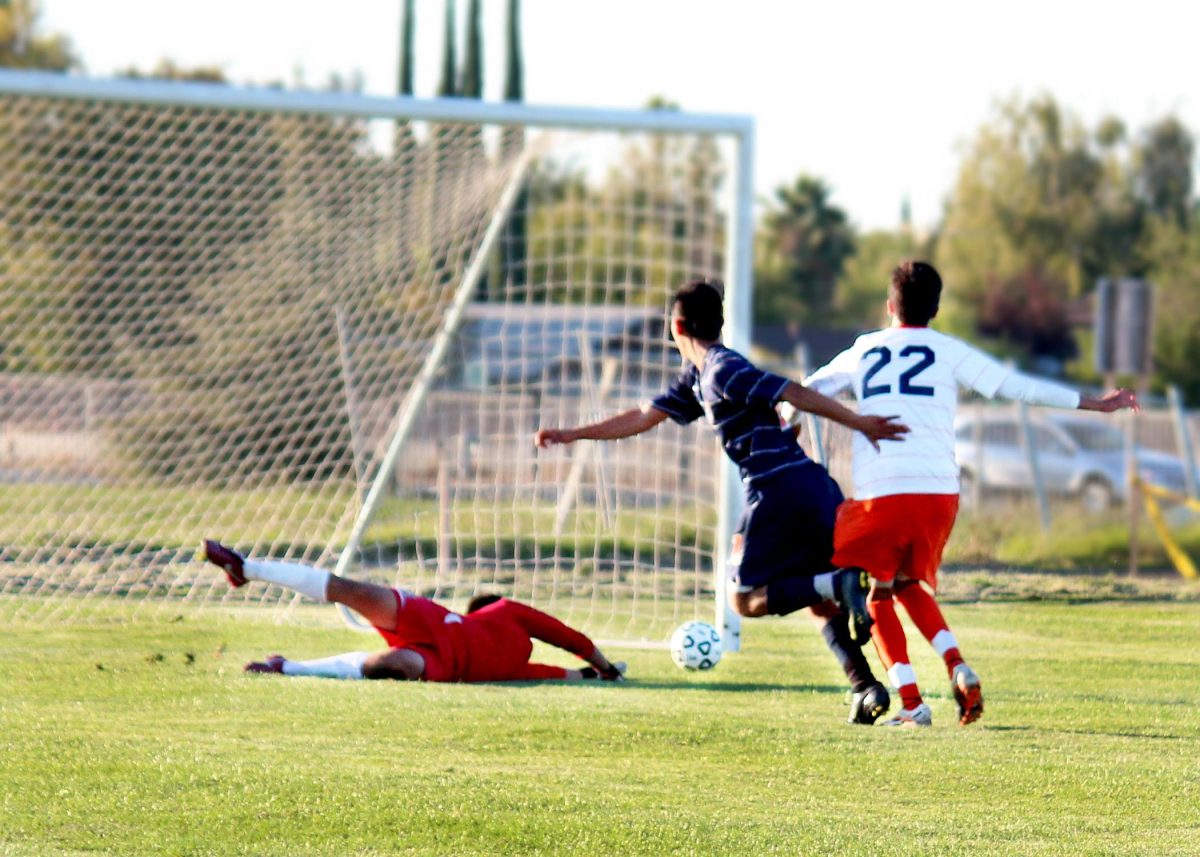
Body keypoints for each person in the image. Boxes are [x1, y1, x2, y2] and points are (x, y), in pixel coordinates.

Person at [535, 278, 908, 724]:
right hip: (810, 486)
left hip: (776, 489)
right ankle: (864, 686)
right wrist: (575, 433)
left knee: (745, 599)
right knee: (809, 593)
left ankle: (841, 584)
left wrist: (859, 422)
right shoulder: (698, 378)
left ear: (675, 326)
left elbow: (791, 390)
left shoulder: (721, 369)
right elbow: (642, 416)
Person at [799, 260, 1138, 727]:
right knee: (905, 585)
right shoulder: (948, 351)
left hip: (884, 492)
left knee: (867, 592)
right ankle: (957, 664)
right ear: (935, 309)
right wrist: (1097, 404)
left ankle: (913, 705)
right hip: (939, 494)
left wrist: (784, 418)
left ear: (888, 306)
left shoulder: (866, 349)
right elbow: (1019, 387)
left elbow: (810, 389)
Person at [199, 540, 626, 683]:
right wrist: (602, 666)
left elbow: (562, 663)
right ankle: (246, 568)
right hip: (433, 619)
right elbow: (568, 640)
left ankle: (285, 667)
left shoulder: (517, 665)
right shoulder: (503, 610)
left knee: (395, 662)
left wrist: (599, 673)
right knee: (352, 591)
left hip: (441, 662)